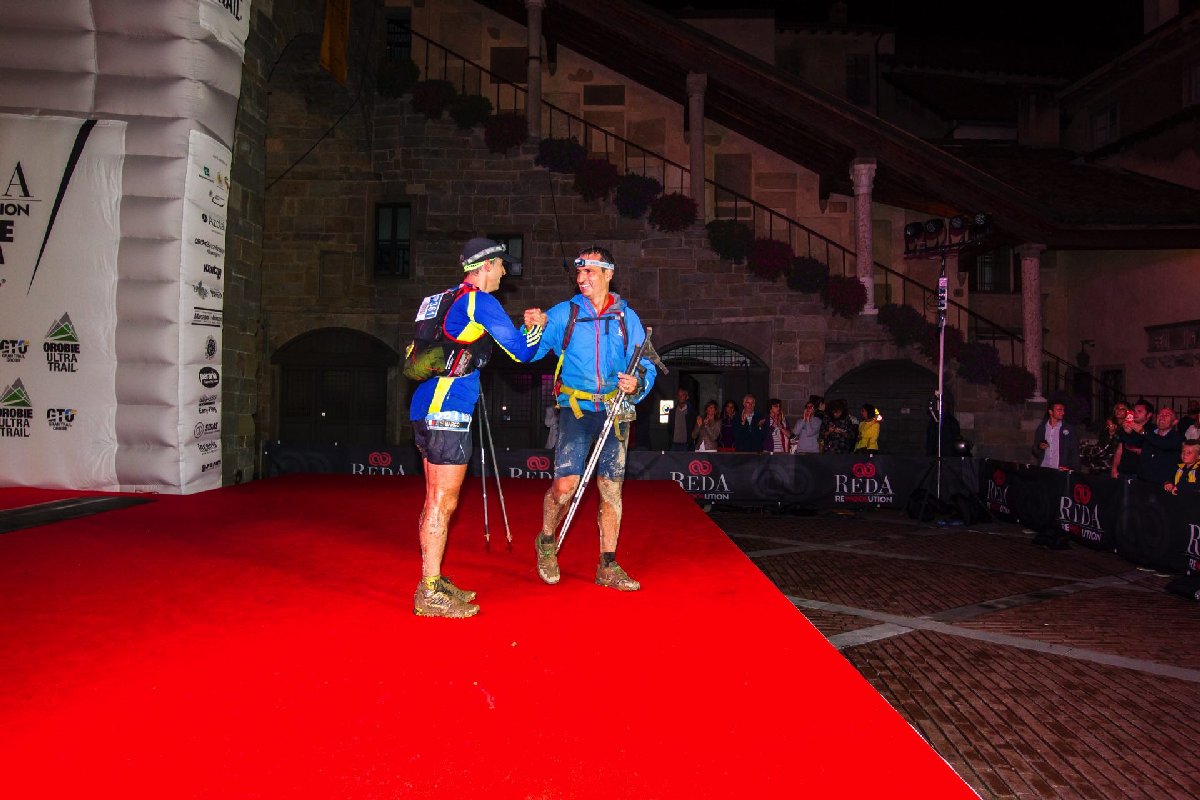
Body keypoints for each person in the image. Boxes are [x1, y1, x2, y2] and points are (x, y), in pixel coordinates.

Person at [410, 237, 544, 618]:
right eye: (501, 265)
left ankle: (433, 579)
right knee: (443, 502)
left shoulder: (445, 299)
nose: (504, 272)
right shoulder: (479, 301)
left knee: (434, 499)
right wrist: (535, 328)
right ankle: (428, 591)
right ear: (485, 266)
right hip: (447, 410)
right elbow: (522, 352)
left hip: (424, 405)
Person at [529, 246, 657, 592]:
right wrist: (533, 329)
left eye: (589, 271)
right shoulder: (565, 313)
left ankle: (607, 565)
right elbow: (530, 353)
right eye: (579, 272)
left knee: (611, 489)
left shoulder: (626, 317)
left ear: (608, 274)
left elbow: (645, 364)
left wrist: (637, 383)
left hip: (615, 410)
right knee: (565, 486)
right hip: (577, 409)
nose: (581, 278)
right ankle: (546, 541)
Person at [1139, 405, 1184, 486]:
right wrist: (1128, 431)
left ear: (1174, 422)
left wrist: (1143, 432)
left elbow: (1163, 444)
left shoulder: (1178, 438)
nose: (1162, 417)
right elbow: (1133, 442)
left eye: (1167, 415)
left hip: (1164, 484)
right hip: (1143, 481)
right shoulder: (1150, 433)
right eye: (1160, 414)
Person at [1031, 400, 1081, 471]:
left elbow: (1075, 452)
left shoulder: (1069, 430)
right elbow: (1035, 450)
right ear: (1050, 412)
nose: (1063, 413)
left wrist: (1073, 469)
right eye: (1059, 410)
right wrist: (1040, 447)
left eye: (1063, 410)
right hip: (1044, 468)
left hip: (1060, 470)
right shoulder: (1042, 428)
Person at [1111, 399, 1151, 479]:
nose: (1135, 414)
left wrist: (1141, 450)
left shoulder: (1152, 430)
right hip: (1123, 471)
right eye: (1134, 411)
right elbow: (1119, 450)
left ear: (1149, 415)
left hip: (1141, 474)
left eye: (1139, 411)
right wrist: (1114, 468)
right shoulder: (1129, 427)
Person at [667, 387, 697, 451]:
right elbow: (669, 427)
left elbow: (693, 429)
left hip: (686, 445)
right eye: (679, 395)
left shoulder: (691, 412)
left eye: (682, 395)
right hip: (674, 445)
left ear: (687, 397)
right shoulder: (672, 412)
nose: (680, 397)